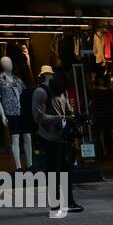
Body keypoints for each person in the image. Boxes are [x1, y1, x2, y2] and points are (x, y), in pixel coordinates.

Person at [32, 69, 83, 212]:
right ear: (56, 81)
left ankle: (69, 202)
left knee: (67, 169)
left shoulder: (62, 91)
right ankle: (55, 203)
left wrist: (73, 117)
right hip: (48, 137)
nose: (62, 91)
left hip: (63, 137)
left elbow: (67, 109)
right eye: (61, 88)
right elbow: (38, 117)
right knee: (53, 171)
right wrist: (60, 118)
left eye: (65, 89)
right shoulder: (41, 92)